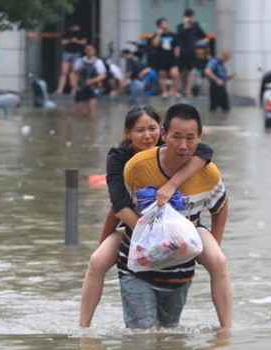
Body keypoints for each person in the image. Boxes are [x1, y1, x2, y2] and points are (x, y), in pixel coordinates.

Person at [79, 105, 232, 329]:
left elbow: (205, 153)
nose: (147, 136)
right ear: (128, 133)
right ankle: (83, 328)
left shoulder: (187, 154)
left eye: (151, 129)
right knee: (97, 261)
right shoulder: (124, 161)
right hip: (136, 224)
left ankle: (226, 330)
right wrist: (149, 233)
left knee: (218, 261)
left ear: (160, 132)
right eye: (140, 130)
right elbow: (118, 207)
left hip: (187, 225)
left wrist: (173, 183)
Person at [175, 9, 208, 98]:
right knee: (183, 72)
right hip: (183, 52)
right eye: (188, 17)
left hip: (193, 52)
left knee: (192, 71)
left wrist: (198, 43)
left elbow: (205, 37)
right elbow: (178, 36)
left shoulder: (196, 26)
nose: (190, 19)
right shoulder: (180, 26)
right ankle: (182, 89)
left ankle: (188, 91)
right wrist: (186, 26)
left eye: (192, 17)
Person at [72, 43, 107, 115]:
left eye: (91, 49)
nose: (89, 51)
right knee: (78, 111)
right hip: (81, 87)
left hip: (93, 87)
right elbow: (74, 73)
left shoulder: (98, 62)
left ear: (94, 51)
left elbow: (103, 75)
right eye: (87, 49)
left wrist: (92, 81)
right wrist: (74, 84)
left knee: (91, 110)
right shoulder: (80, 61)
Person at [151, 18, 181, 98]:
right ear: (159, 25)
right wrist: (158, 34)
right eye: (163, 23)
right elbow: (154, 44)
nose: (166, 24)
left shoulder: (173, 35)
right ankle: (164, 92)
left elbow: (177, 46)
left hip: (171, 57)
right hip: (161, 57)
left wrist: (176, 56)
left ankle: (174, 91)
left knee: (175, 74)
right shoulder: (156, 35)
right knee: (162, 75)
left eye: (166, 23)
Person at [56, 23, 87, 95]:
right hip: (68, 52)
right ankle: (60, 89)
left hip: (77, 53)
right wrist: (70, 40)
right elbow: (63, 42)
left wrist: (76, 41)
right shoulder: (67, 33)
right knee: (64, 72)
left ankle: (74, 89)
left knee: (74, 71)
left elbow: (84, 42)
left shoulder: (81, 33)